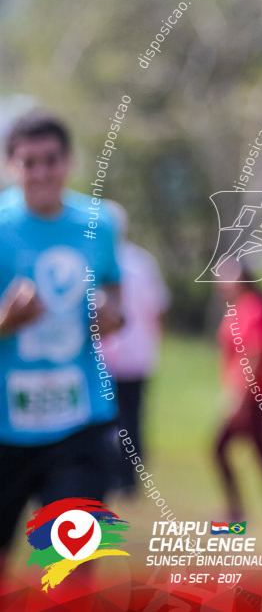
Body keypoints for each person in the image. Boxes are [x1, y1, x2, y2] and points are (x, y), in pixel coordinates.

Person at [0, 111, 123, 579]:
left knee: (73, 568)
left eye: (51, 160)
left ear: (68, 162)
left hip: (80, 421)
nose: (41, 173)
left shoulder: (100, 222)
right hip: (5, 427)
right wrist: (6, 322)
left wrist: (110, 314)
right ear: (12, 166)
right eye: (29, 163)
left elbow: (114, 288)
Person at [213, 259, 262, 535]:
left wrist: (242, 397)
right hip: (244, 394)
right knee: (247, 452)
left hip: (256, 396)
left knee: (228, 449)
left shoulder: (255, 307)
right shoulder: (238, 308)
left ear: (242, 278)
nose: (221, 283)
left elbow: (255, 354)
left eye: (227, 277)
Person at [103, 201, 171, 495]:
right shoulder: (142, 262)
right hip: (137, 355)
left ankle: (114, 473)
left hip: (107, 356)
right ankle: (129, 477)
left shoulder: (98, 262)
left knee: (109, 419)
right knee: (133, 417)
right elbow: (156, 310)